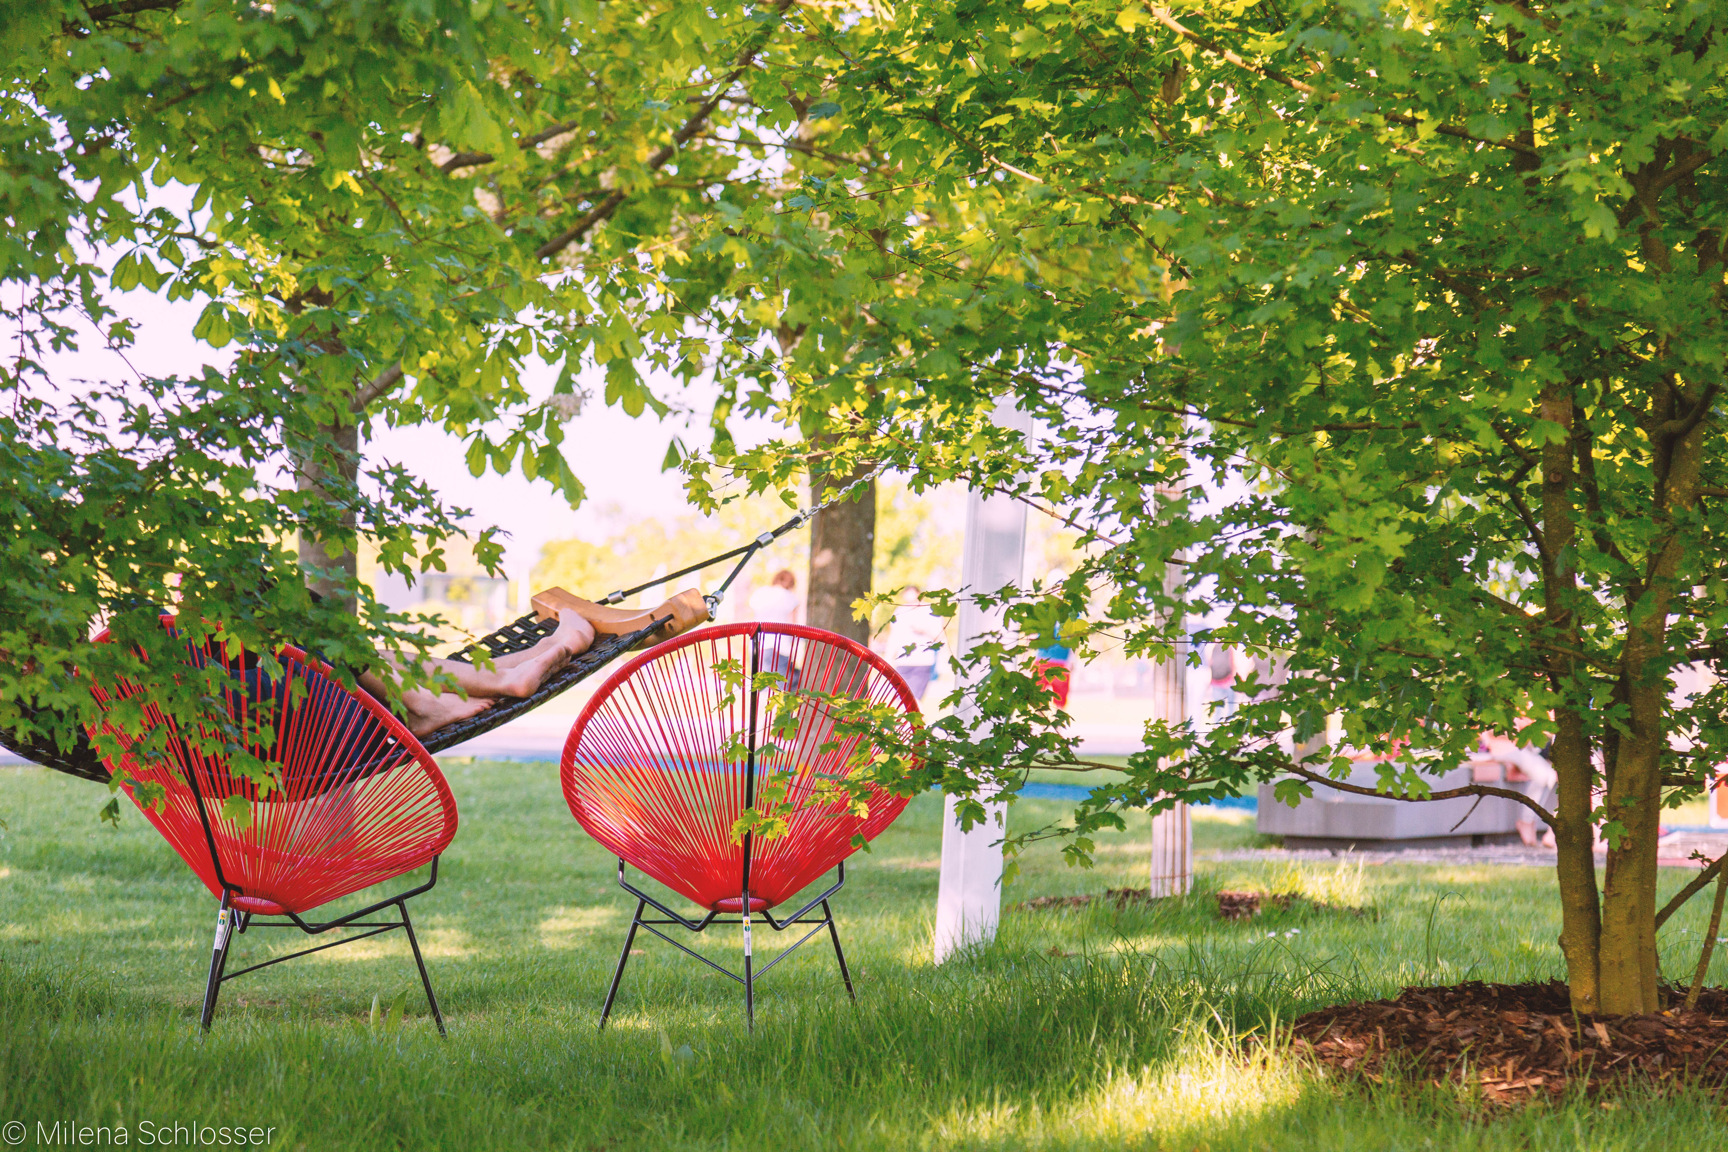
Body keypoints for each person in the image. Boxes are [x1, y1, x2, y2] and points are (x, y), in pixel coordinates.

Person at [359, 606, 596, 737]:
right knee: (350, 652)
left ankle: (523, 663)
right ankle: (423, 706)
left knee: (380, 658)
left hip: (340, 715)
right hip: (334, 731)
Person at [881, 586, 945, 701]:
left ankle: (915, 718)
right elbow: (894, 637)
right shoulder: (900, 612)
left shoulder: (931, 611)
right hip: (903, 662)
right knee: (900, 699)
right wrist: (888, 658)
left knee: (915, 699)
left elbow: (940, 637)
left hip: (923, 662)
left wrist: (924, 630)